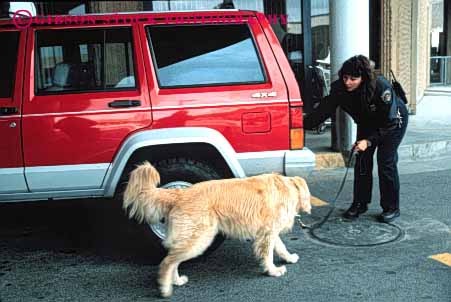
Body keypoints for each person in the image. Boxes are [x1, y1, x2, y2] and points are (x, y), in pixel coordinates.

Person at [304, 55, 409, 223]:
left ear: (363, 78)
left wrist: (368, 141)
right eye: (345, 77)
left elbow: (391, 122)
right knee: (361, 161)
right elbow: (323, 111)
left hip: (393, 121)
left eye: (353, 79)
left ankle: (391, 207)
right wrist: (300, 124)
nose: (348, 82)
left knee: (386, 162)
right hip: (367, 122)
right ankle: (360, 203)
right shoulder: (339, 88)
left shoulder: (381, 88)